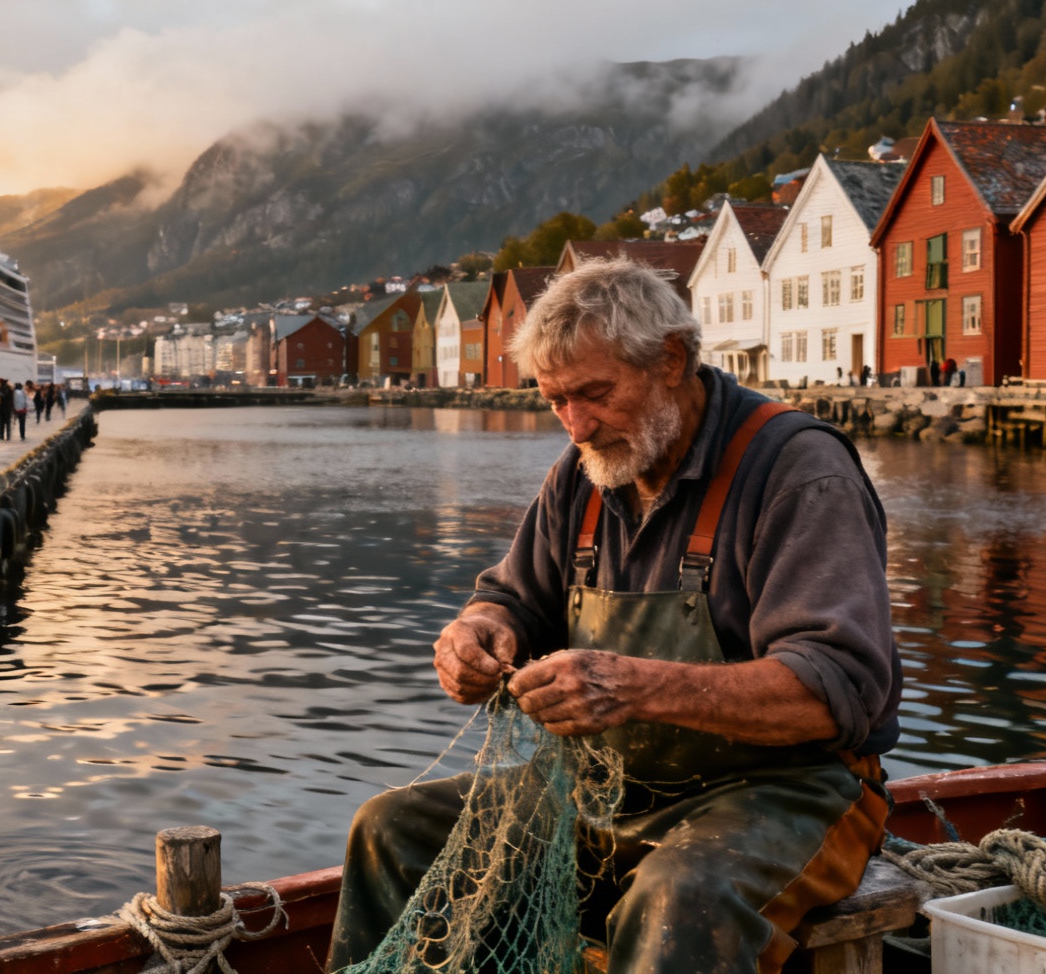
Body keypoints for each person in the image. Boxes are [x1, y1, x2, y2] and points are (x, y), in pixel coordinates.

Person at [329, 259, 899, 974]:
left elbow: (837, 689)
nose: (576, 427)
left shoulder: (798, 471)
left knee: (682, 896)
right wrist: (475, 629)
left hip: (788, 793)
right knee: (392, 830)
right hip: (604, 789)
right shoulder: (584, 474)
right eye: (555, 401)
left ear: (671, 360)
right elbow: (512, 598)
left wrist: (633, 687)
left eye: (593, 395)